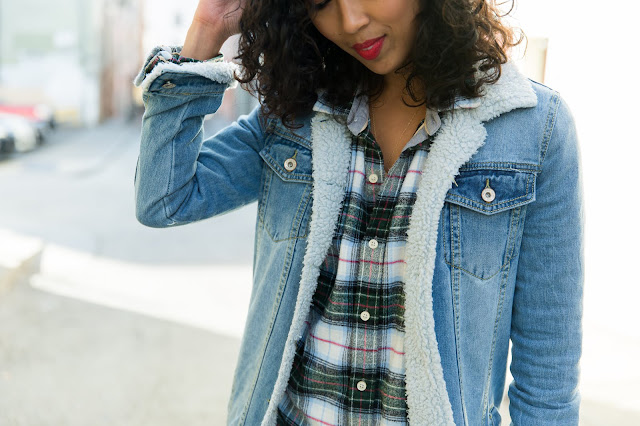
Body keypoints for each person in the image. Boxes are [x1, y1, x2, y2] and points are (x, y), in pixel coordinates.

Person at [133, 0, 584, 424]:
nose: (349, 21)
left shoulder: (534, 129)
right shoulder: (295, 114)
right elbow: (164, 198)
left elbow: (546, 367)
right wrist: (208, 28)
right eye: (321, 2)